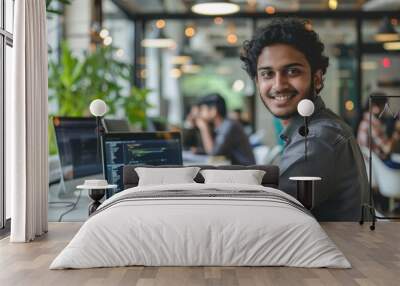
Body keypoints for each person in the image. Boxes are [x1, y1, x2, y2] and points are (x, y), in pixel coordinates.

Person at [240, 18, 368, 221]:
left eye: (292, 71)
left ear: (317, 79)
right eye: (267, 74)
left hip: (329, 252)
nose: (279, 84)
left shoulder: (318, 137)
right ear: (257, 81)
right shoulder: (315, 128)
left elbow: (268, 215)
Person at [194, 93, 256, 165]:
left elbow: (214, 153)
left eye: (202, 110)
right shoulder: (223, 125)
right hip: (236, 169)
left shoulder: (229, 126)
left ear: (213, 110)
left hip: (245, 171)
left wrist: (204, 128)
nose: (200, 114)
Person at [357, 93, 400, 169]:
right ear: (375, 106)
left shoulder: (366, 121)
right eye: (385, 106)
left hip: (370, 166)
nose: (387, 110)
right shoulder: (372, 124)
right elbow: (387, 149)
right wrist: (397, 131)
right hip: (378, 167)